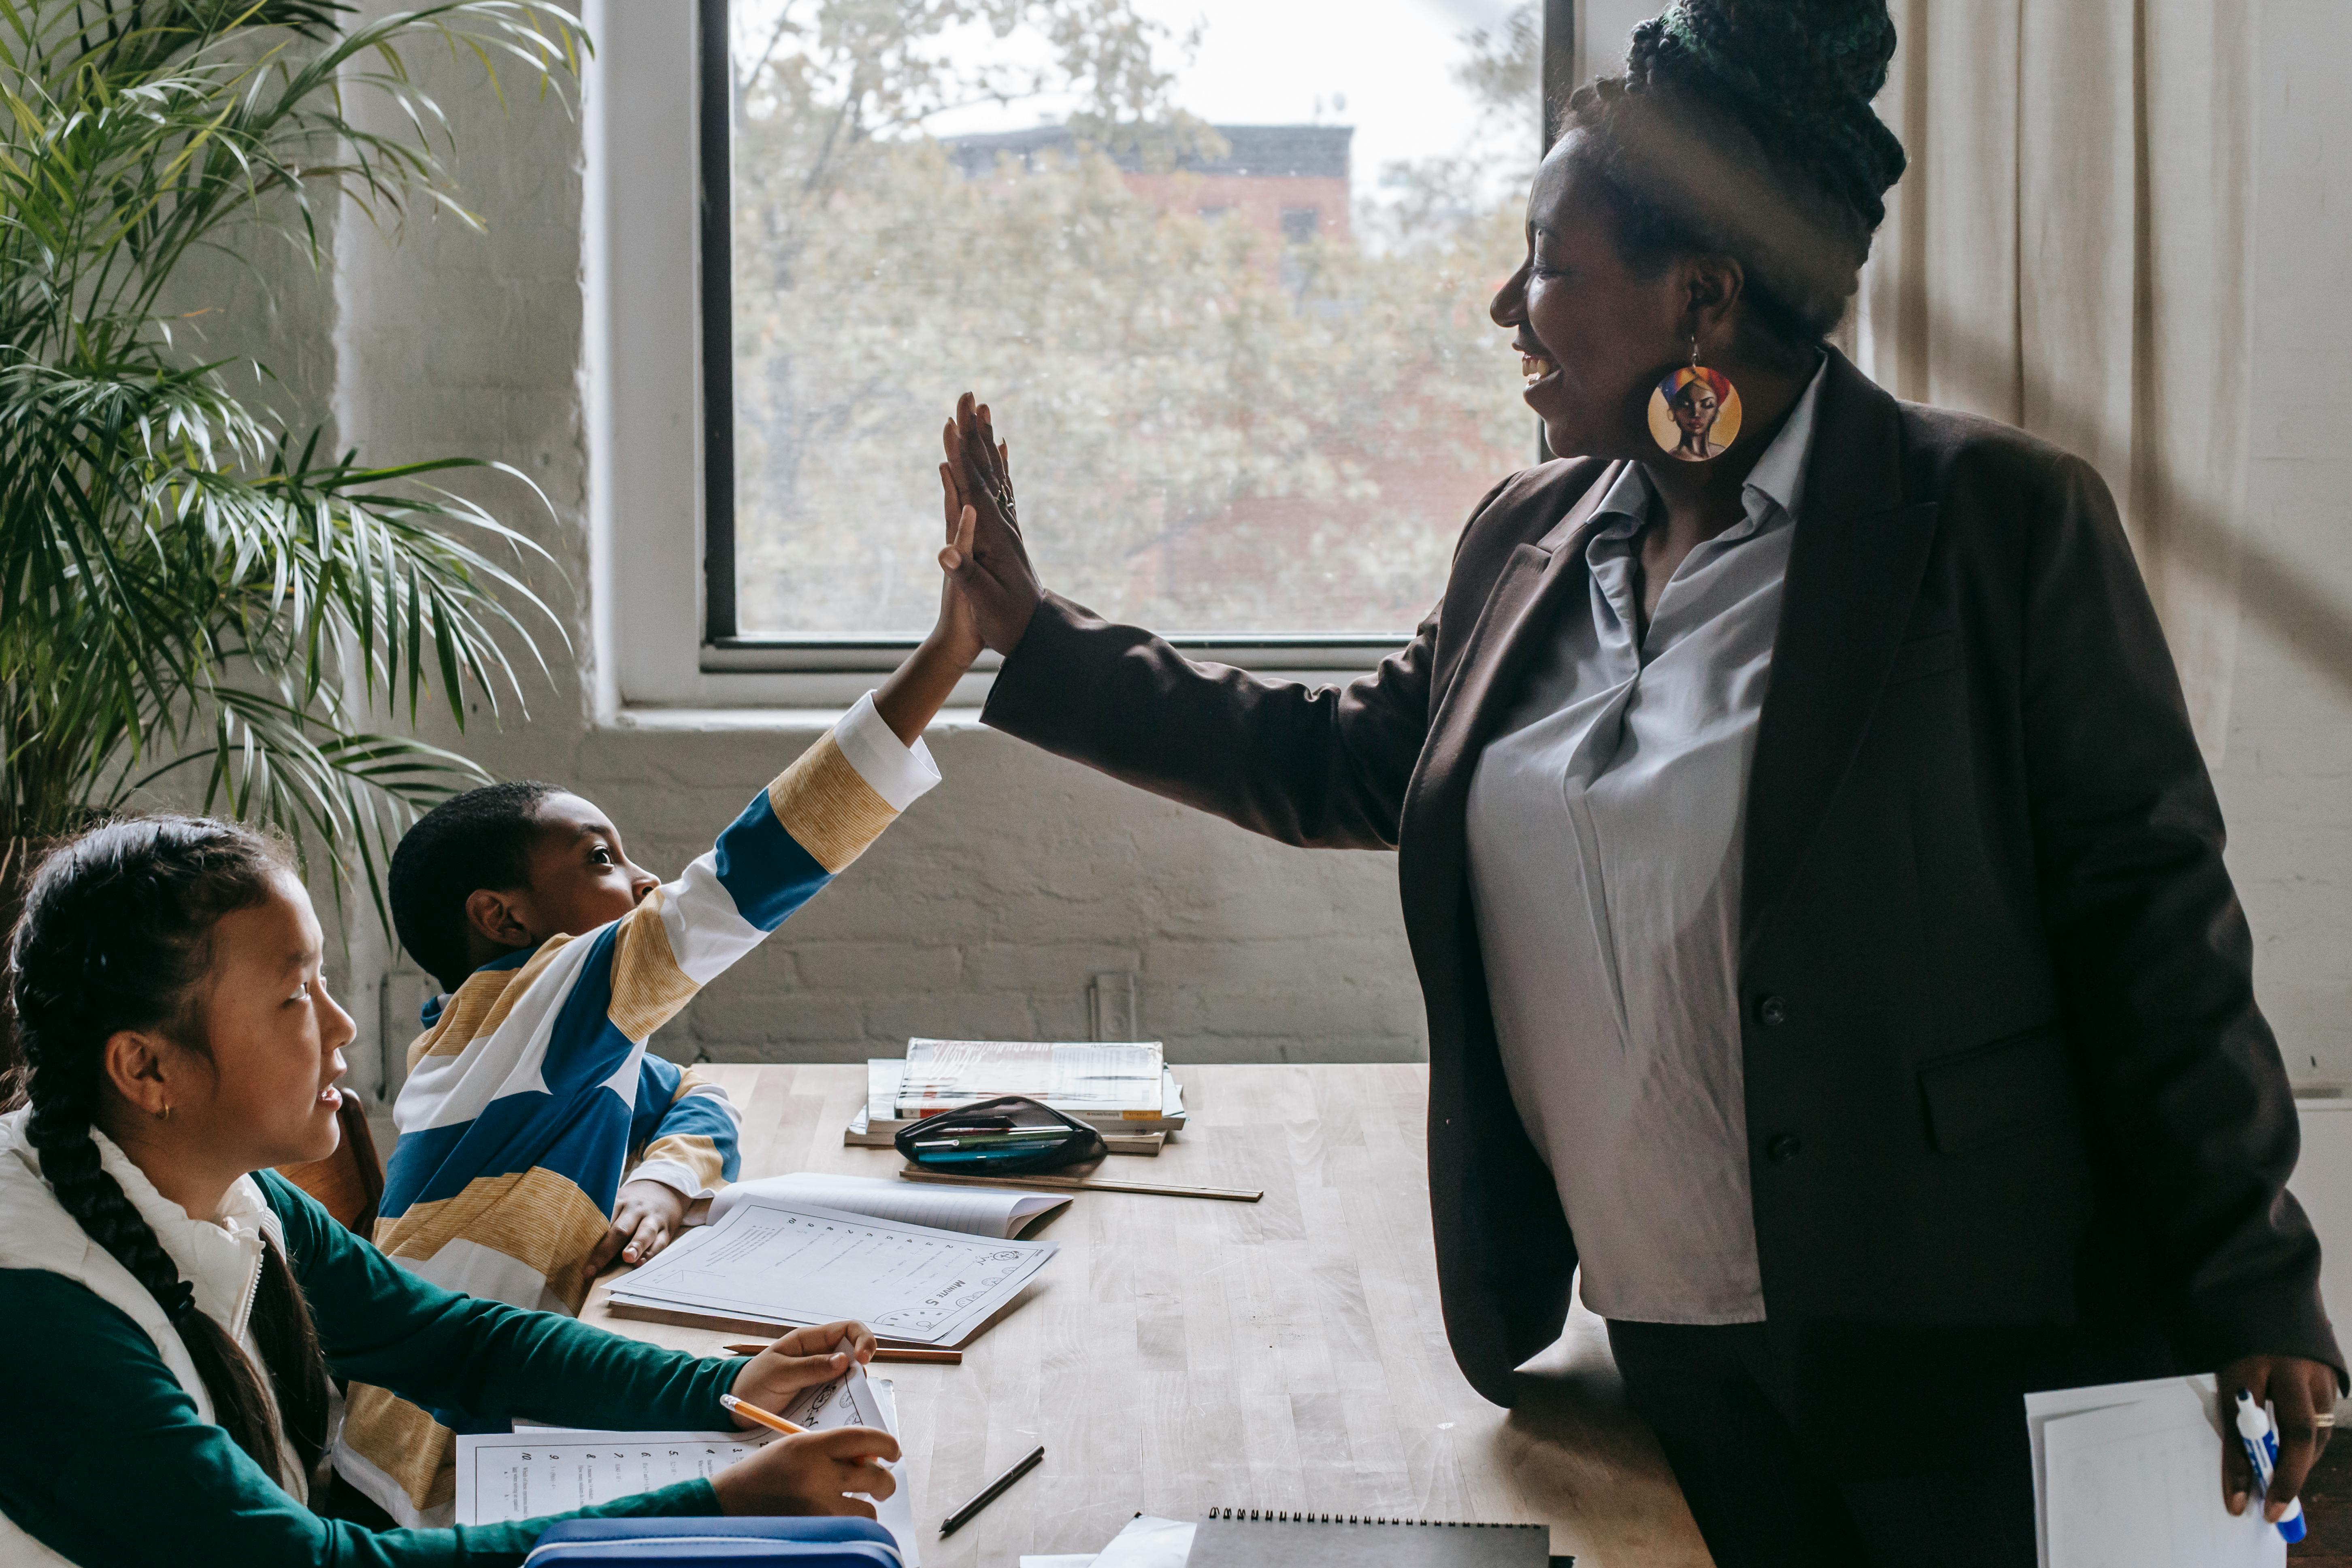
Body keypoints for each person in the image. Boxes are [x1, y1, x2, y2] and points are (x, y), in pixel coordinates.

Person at [924, 1, 2343, 1562]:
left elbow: (2152, 922)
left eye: (1546, 260)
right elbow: (1344, 759)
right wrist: (1034, 638)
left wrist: (2255, 1274)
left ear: (1704, 296)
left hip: (1965, 1351)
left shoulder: (1994, 525)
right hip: (1664, 1349)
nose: (1502, 305)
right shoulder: (1526, 543)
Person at [0, 814, 903, 1566]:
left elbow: (453, 1342)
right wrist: (710, 1504)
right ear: (146, 1066)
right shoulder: (41, 1310)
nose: (343, 1022)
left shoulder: (225, 1186)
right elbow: (310, 1564)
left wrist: (723, 1383)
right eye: (293, 996)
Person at [336, 566, 979, 1524]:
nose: (639, 882)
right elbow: (744, 877)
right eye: (601, 858)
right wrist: (948, 653)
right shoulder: (523, 1005)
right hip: (436, 1471)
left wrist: (665, 1179)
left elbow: (695, 1091)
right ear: (502, 916)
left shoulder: (542, 1037)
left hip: (508, 1410)